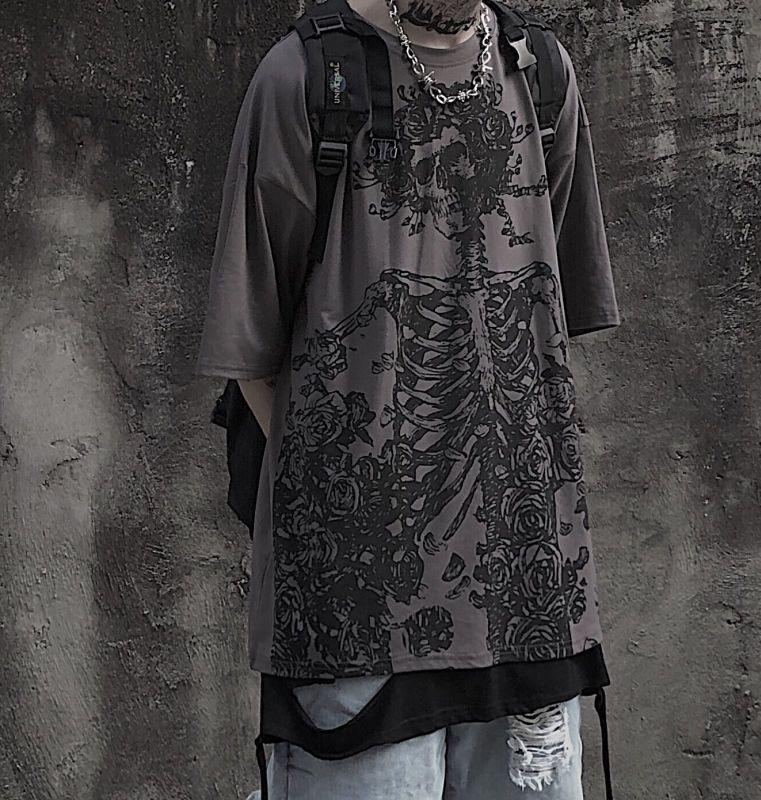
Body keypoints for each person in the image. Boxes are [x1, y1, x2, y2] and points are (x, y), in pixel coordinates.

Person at [194, 0, 622, 796]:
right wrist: (354, 502)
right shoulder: (304, 79)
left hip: (529, 597)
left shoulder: (540, 74)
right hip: (358, 613)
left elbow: (541, 309)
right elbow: (250, 345)